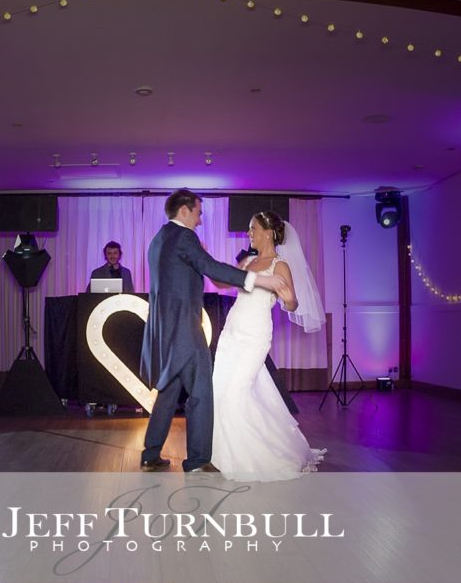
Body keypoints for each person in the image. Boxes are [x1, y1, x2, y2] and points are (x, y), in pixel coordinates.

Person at [139, 189, 286, 473]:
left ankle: (150, 454)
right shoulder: (184, 236)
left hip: (163, 329)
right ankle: (197, 460)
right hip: (184, 329)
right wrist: (258, 280)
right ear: (184, 211)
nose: (200, 219)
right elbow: (209, 267)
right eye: (198, 212)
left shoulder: (159, 239)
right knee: (201, 392)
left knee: (168, 392)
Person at [209, 211, 326, 481]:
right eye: (249, 229)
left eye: (253, 228)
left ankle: (253, 456)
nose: (249, 233)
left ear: (269, 233)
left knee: (236, 392)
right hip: (231, 334)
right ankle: (222, 455)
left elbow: (292, 303)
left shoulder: (280, 265)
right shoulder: (247, 261)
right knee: (220, 391)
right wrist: (203, 259)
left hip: (255, 337)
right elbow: (219, 282)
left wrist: (288, 300)